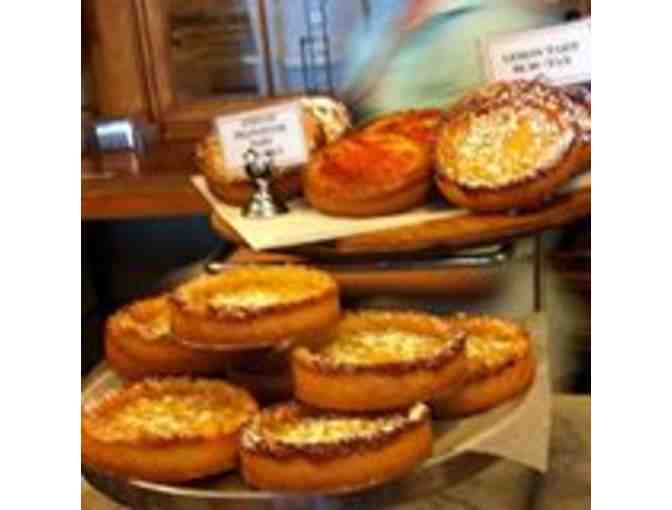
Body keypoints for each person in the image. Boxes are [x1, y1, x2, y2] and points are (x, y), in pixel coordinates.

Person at [341, 0, 569, 119]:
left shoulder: (504, 16)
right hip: (380, 162)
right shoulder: (383, 15)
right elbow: (357, 95)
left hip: (477, 174)